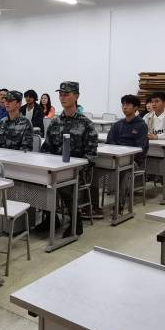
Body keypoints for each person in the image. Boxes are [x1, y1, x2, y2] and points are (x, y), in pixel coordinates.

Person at [39, 81, 98, 237]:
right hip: (56, 168)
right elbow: (46, 148)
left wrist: (76, 168)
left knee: (64, 185)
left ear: (76, 96)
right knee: (40, 181)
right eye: (60, 94)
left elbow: (91, 155)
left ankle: (76, 222)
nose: (62, 97)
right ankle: (50, 218)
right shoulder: (55, 122)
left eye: (66, 94)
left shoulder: (86, 124)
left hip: (78, 171)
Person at [89, 95, 149, 217]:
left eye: (128, 104)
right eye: (123, 104)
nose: (124, 107)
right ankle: (94, 206)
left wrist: (123, 152)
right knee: (93, 171)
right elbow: (110, 141)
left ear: (136, 108)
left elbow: (140, 148)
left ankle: (119, 206)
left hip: (133, 161)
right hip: (116, 158)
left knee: (124, 171)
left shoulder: (141, 125)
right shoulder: (118, 124)